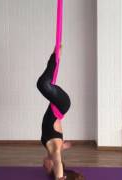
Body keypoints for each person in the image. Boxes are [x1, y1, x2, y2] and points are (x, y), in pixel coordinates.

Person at [37, 48, 84, 180]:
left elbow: (61, 148)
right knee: (43, 84)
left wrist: (66, 146)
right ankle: (56, 55)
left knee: (44, 84)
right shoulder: (55, 151)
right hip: (61, 104)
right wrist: (59, 177)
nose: (43, 167)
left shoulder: (52, 148)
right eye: (46, 169)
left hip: (57, 105)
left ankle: (55, 55)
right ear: (52, 165)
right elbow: (58, 161)